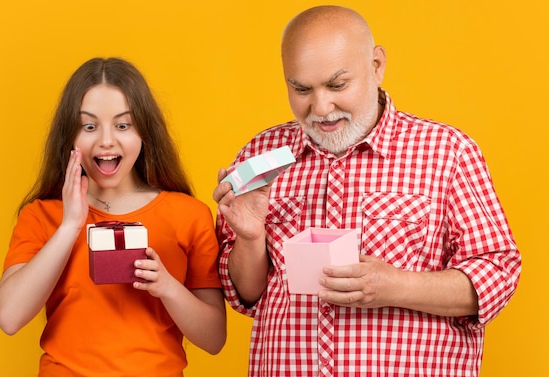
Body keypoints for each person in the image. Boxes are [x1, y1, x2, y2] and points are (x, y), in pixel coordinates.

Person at [213, 5, 521, 377]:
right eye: (301, 89)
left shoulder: (447, 151)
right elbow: (245, 296)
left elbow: (498, 274)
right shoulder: (261, 157)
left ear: (376, 65)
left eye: (337, 84)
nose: (321, 107)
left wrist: (396, 285)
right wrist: (250, 238)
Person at [0, 57, 226, 377]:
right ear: (70, 137)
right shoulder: (41, 216)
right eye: (89, 126)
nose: (106, 140)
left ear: (145, 133)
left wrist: (167, 287)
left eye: (123, 125)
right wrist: (70, 226)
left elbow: (214, 338)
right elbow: (9, 317)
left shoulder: (189, 215)